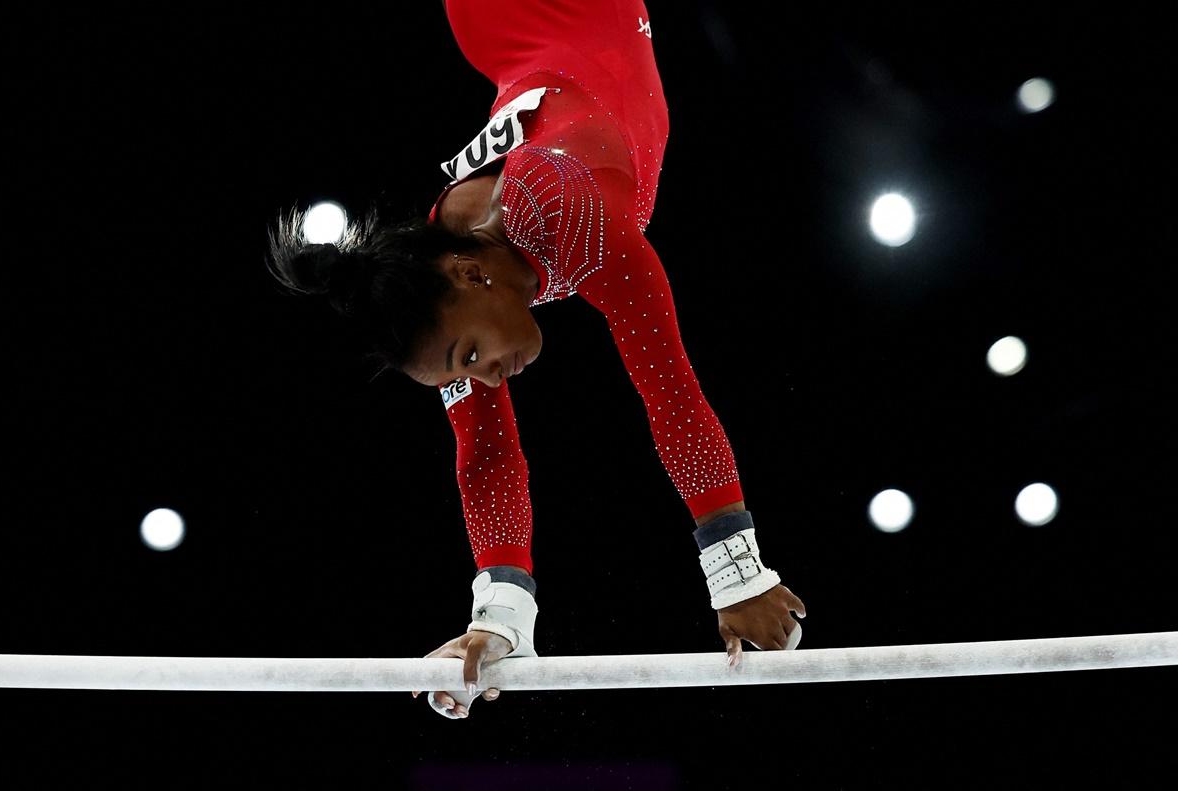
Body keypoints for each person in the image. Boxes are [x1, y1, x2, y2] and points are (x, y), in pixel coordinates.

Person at [266, 0, 806, 720]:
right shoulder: (445, 261)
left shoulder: (567, 211)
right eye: (462, 370)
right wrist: (500, 619)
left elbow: (669, 389)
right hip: (520, 40)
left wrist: (737, 571)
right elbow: (486, 455)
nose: (486, 375)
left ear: (470, 275)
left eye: (471, 354)